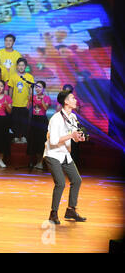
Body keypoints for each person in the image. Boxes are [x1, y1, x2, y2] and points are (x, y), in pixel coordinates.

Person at [44, 90, 86, 225]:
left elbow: (75, 135)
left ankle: (71, 210)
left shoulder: (73, 117)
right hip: (53, 154)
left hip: (65, 154)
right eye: (72, 98)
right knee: (61, 183)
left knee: (77, 180)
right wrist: (71, 136)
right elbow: (53, 141)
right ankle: (53, 213)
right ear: (66, 102)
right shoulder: (56, 119)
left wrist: (79, 137)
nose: (75, 100)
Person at [8, 58, 34, 143]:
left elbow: (31, 90)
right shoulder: (13, 77)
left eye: (23, 65)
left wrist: (29, 102)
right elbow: (11, 89)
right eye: (19, 65)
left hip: (25, 104)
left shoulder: (29, 77)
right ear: (16, 66)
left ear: (25, 66)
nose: (21, 67)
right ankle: (15, 136)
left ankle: (23, 136)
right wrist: (9, 101)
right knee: (15, 121)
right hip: (15, 103)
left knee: (24, 121)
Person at [27, 81, 51, 169]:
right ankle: (35, 161)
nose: (37, 89)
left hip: (42, 120)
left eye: (39, 87)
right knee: (34, 140)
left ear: (43, 88)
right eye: (36, 87)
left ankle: (41, 162)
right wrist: (29, 100)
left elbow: (45, 108)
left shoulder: (47, 98)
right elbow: (27, 107)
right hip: (33, 119)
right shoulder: (32, 97)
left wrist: (41, 100)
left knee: (41, 141)